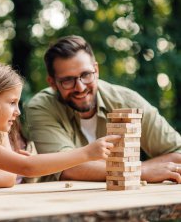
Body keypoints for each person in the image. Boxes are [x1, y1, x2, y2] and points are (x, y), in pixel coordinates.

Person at [0, 60, 119, 192]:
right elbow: (27, 168)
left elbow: (9, 177)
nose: (17, 112)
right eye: (11, 103)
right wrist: (87, 153)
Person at [25, 35, 181, 183]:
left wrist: (137, 171)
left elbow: (177, 152)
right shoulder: (41, 107)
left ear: (96, 70)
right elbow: (64, 167)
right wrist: (140, 171)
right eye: (67, 80)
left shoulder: (127, 101)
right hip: (63, 201)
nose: (80, 87)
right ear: (52, 83)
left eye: (86, 75)